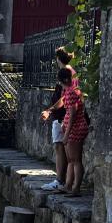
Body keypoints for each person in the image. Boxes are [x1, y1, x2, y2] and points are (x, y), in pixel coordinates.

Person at [39, 47, 76, 190]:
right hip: (64, 115)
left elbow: (63, 98)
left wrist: (49, 110)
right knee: (65, 150)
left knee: (59, 148)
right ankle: (65, 181)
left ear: (58, 59)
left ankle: (59, 181)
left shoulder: (65, 72)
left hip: (61, 116)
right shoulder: (72, 71)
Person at [57, 67, 88, 197]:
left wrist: (66, 134)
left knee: (75, 160)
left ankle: (75, 188)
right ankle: (68, 185)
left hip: (75, 129)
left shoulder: (70, 93)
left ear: (63, 80)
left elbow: (72, 114)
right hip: (75, 128)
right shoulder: (73, 91)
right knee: (71, 160)